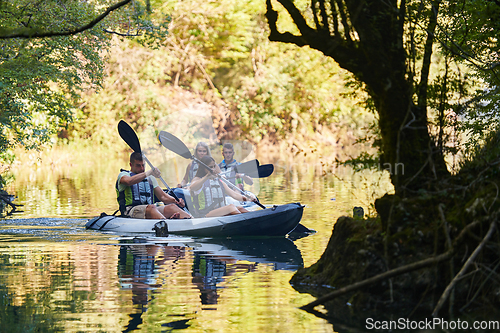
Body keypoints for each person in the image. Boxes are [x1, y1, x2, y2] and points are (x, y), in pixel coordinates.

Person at [116, 152, 192, 219]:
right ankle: (167, 223)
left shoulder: (150, 178)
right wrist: (149, 172)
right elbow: (129, 181)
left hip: (151, 209)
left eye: (143, 165)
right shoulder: (124, 175)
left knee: (172, 207)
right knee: (151, 208)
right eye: (138, 166)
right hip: (131, 210)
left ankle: (192, 220)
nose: (142, 168)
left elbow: (163, 196)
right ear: (131, 165)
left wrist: (176, 201)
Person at [188, 156, 256, 218]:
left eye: (214, 166)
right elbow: (192, 187)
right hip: (204, 215)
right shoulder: (198, 179)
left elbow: (234, 194)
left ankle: (254, 220)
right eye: (210, 167)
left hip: (220, 212)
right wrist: (207, 176)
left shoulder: (218, 181)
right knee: (231, 207)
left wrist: (248, 199)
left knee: (240, 208)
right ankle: (245, 222)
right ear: (203, 168)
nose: (213, 169)